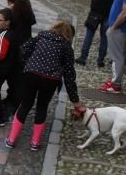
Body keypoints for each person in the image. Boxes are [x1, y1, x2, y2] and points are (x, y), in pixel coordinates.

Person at [5, 20, 84, 151]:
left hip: (31, 74)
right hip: (50, 79)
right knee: (42, 107)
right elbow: (69, 75)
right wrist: (75, 100)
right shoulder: (66, 47)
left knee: (25, 105)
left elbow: (23, 50)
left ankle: (11, 139)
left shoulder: (41, 36)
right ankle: (35, 142)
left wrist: (28, 64)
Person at [77, 0, 118, 68]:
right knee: (104, 37)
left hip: (96, 11)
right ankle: (100, 60)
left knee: (89, 34)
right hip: (109, 13)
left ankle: (83, 57)